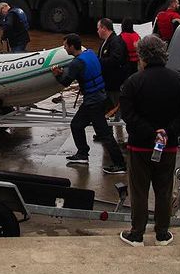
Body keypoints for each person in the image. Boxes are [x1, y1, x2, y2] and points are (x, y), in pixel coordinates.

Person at [117, 35, 180, 246]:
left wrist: (151, 133)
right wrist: (167, 132)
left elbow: (128, 115)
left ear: (142, 56)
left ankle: (137, 233)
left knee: (139, 190)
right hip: (167, 146)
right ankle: (162, 233)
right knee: (163, 189)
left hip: (140, 146)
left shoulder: (133, 82)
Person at [52, 33, 127, 174]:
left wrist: (57, 74)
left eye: (65, 46)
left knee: (104, 134)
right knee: (77, 125)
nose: (64, 48)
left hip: (93, 102)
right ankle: (82, 154)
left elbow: (65, 82)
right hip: (101, 97)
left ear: (72, 46)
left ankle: (120, 164)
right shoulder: (90, 53)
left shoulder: (77, 63)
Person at [96, 17, 129, 115]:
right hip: (107, 83)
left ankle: (118, 129)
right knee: (109, 110)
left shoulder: (116, 41)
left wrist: (98, 61)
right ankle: (111, 129)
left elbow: (116, 60)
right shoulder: (106, 42)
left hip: (114, 84)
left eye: (98, 28)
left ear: (104, 28)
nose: (97, 31)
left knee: (116, 110)